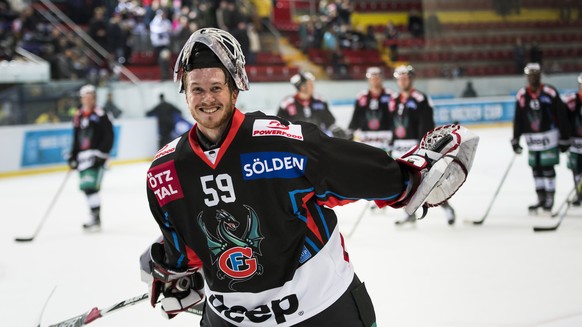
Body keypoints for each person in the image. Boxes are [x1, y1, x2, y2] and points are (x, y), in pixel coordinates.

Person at [138, 27, 478, 326]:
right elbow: (186, 246)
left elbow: (345, 168)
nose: (207, 99)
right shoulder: (164, 171)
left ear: (235, 90)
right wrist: (172, 269)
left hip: (322, 312)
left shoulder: (279, 143)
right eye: (197, 89)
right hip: (231, 319)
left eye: (216, 87)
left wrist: (407, 180)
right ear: (184, 92)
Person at [389, 64, 457, 225]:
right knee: (406, 184)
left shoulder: (421, 99)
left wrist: (424, 148)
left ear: (411, 79)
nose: (403, 81)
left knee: (427, 182)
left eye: (405, 78)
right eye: (400, 78)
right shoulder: (393, 101)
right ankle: (409, 212)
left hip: (416, 147)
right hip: (399, 148)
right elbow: (392, 125)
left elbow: (426, 125)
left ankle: (447, 208)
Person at [511, 63, 570, 213]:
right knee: (536, 168)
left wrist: (565, 137)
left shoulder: (550, 92)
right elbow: (518, 118)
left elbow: (561, 115)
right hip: (532, 140)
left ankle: (550, 198)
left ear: (539, 75)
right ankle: (541, 198)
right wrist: (515, 138)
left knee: (547, 167)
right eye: (529, 75)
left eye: (535, 75)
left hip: (549, 137)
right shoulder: (522, 95)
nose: (532, 78)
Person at [67, 84, 114, 231]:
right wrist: (73, 155)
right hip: (83, 157)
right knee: (86, 188)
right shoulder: (78, 115)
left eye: (91, 96)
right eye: (85, 97)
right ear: (81, 99)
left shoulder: (101, 114)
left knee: (91, 187)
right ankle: (94, 216)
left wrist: (101, 153)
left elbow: (109, 135)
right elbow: (76, 137)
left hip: (95, 155)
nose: (88, 99)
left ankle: (95, 217)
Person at [277, 71, 348, 138]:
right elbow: (279, 123)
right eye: (310, 84)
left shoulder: (320, 100)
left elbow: (329, 120)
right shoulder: (287, 103)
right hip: (295, 140)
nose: (313, 86)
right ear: (302, 87)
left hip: (317, 138)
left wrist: (333, 128)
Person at [348, 66, 394, 151]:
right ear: (368, 79)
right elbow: (355, 118)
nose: (375, 79)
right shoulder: (361, 96)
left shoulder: (391, 96)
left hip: (386, 138)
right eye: (372, 77)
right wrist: (350, 133)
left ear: (382, 78)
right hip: (366, 139)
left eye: (377, 76)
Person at [562, 73, 582, 205]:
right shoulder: (572, 101)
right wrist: (565, 137)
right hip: (576, 143)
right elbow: (564, 120)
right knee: (576, 169)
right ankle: (579, 193)